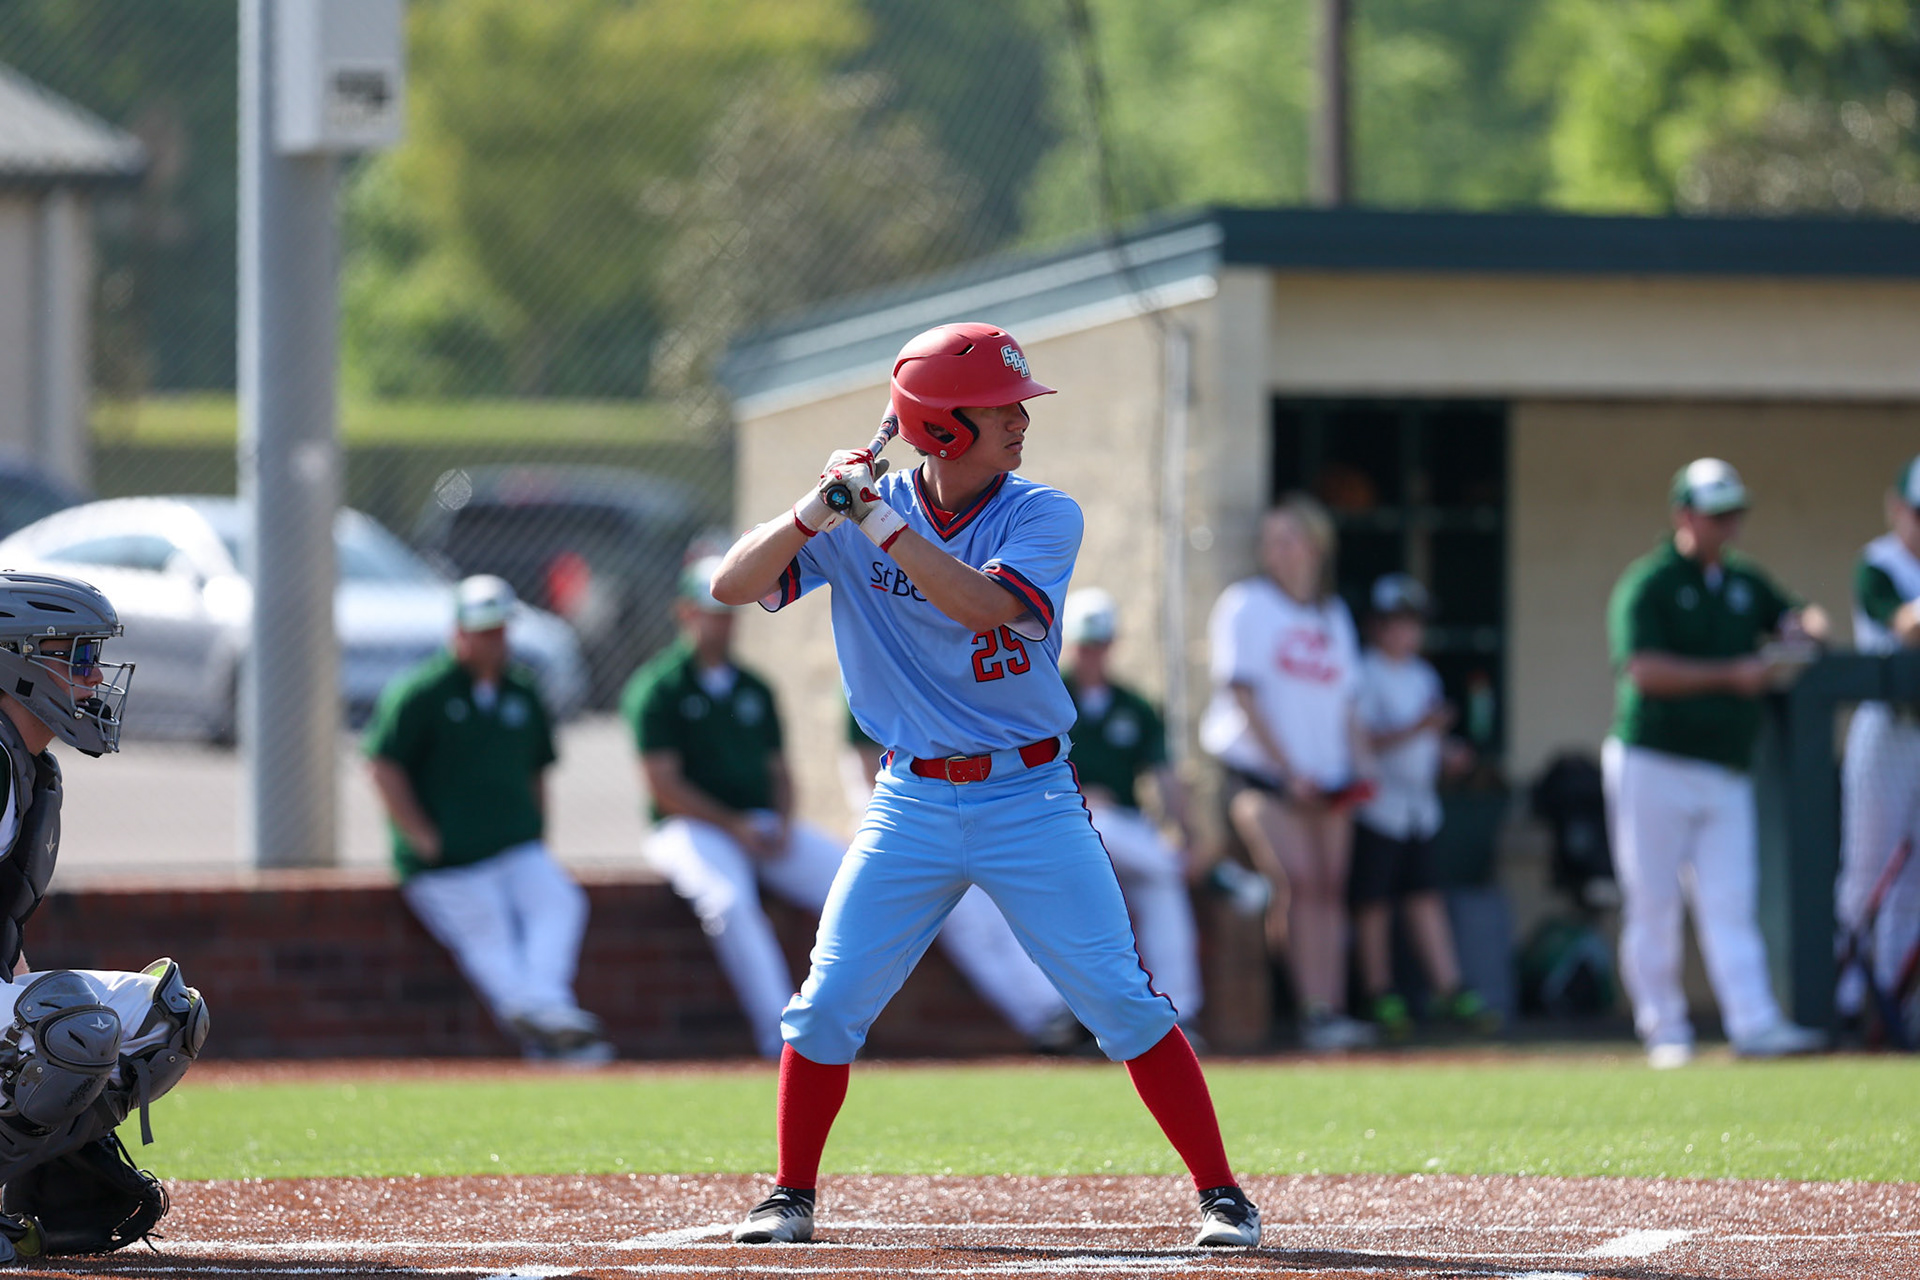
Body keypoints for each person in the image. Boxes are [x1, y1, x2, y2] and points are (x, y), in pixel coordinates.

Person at [710, 322, 1261, 1248]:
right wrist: (815, 508)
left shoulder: (1043, 512)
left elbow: (981, 603)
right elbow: (731, 584)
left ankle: (1222, 1194)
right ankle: (789, 1193)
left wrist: (873, 518)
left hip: (1029, 798)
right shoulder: (852, 514)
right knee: (828, 998)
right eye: (1000, 408)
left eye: (1017, 406)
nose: (1019, 420)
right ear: (941, 428)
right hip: (910, 800)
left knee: (1121, 999)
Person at [629, 561, 1077, 1060]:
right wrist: (736, 825)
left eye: (729, 614)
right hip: (692, 829)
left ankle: (1043, 1016)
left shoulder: (752, 685)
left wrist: (778, 818)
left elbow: (779, 773)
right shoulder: (660, 687)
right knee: (729, 903)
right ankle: (778, 1036)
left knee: (855, 892)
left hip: (763, 826)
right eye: (711, 613)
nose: (723, 622)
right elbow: (663, 786)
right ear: (685, 614)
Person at [0, 572, 210, 1263]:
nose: (94, 678)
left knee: (165, 1015)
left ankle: (51, 1200)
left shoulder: (27, 762)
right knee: (72, 1031)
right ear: (17, 659)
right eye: (78, 657)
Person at [1604, 459, 1830, 1068]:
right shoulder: (1648, 583)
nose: (1728, 526)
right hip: (1653, 761)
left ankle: (1754, 1023)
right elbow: (1643, 670)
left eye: (1734, 514)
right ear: (1684, 516)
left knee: (1731, 900)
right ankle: (1666, 1030)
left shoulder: (1743, 582)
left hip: (1725, 766)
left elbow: (1800, 614)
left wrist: (1802, 627)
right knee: (1653, 901)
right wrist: (1731, 675)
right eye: (1716, 514)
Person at [366, 575, 611, 1065]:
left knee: (561, 902)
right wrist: (422, 836)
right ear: (457, 631)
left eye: (500, 628)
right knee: (489, 933)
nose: (492, 639)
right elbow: (382, 764)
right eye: (481, 629)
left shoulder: (522, 690)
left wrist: (537, 831)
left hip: (514, 845)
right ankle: (551, 1029)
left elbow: (538, 767)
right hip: (448, 862)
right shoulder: (422, 691)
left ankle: (541, 1012)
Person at [1199, 495, 1376, 1052]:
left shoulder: (1333, 615)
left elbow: (1346, 701)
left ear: (1317, 545)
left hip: (1328, 779)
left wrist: (1361, 763)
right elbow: (1243, 693)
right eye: (1270, 539)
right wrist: (1287, 768)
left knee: (1330, 887)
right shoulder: (1246, 604)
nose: (1278, 550)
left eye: (1289, 538)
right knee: (1295, 880)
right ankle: (1310, 1010)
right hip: (1266, 777)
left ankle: (1334, 1009)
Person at [840, 709, 1087, 1054]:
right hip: (906, 819)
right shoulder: (872, 665)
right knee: (971, 925)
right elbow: (862, 772)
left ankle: (1058, 1014)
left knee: (1006, 918)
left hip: (976, 812)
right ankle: (1046, 1019)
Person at [1350, 574, 1498, 1041]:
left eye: (1413, 623)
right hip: (1378, 808)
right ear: (1377, 626)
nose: (1407, 633)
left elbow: (1427, 741)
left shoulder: (1423, 674)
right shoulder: (1363, 672)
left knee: (1424, 897)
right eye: (1397, 623)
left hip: (1419, 809)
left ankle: (1448, 987)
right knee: (1373, 904)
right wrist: (1420, 727)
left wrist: (1449, 754)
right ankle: (1378, 992)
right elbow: (1367, 738)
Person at [1058, 588, 1205, 1034]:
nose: (1093, 656)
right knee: (1159, 867)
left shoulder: (1135, 707)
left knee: (1162, 886)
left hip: (1124, 829)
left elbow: (1164, 776)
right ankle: (1065, 1015)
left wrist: (1188, 832)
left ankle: (1180, 1012)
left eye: (1100, 645)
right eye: (1086, 645)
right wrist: (1079, 793)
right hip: (1061, 826)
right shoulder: (1048, 695)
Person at [1836, 454, 1920, 1039]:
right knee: (1867, 868)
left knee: (1915, 882)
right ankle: (1844, 996)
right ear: (1898, 510)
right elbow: (1906, 625)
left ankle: (1899, 1003)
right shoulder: (1879, 563)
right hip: (1887, 729)